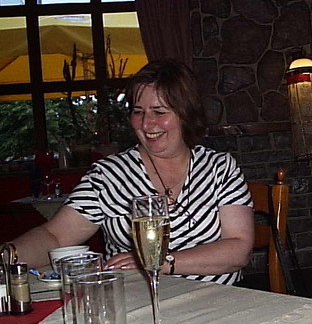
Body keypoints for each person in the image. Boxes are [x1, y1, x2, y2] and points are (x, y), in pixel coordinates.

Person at [11, 59, 254, 283]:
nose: (146, 123)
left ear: (186, 114)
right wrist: (6, 256)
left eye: (159, 112)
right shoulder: (109, 175)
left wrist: (157, 262)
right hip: (138, 301)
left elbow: (239, 248)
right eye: (138, 112)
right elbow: (55, 236)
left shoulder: (220, 168)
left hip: (220, 301)